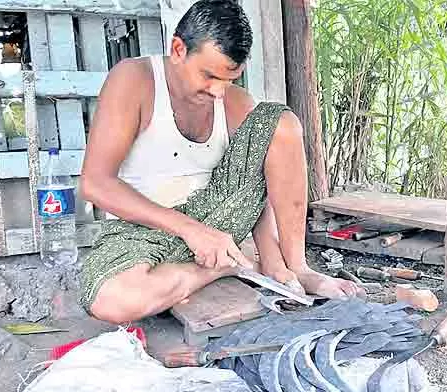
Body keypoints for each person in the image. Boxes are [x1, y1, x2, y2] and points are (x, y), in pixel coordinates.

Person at [78, 0, 364, 324]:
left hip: (218, 226)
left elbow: (253, 187)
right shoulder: (134, 80)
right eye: (209, 75)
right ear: (178, 49)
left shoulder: (233, 102)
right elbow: (95, 183)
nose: (218, 91)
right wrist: (190, 230)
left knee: (282, 125)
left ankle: (295, 265)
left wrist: (273, 258)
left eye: (229, 79)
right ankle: (225, 268)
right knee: (112, 301)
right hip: (140, 231)